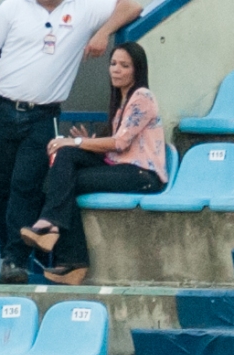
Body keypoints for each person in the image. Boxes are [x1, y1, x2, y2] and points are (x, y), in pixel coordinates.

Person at [0, 0, 142, 281]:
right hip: (0, 109)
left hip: (43, 115)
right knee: (0, 188)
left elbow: (132, 6)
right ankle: (8, 253)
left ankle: (16, 261)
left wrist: (103, 32)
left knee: (24, 186)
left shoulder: (84, 8)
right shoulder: (13, 7)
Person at [18, 40, 159, 283]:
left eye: (124, 65)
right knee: (64, 166)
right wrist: (82, 142)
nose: (116, 69)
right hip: (121, 167)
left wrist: (75, 143)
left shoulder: (142, 96)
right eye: (113, 63)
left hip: (142, 174)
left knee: (67, 164)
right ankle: (70, 259)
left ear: (137, 70)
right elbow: (114, 146)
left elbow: (120, 143)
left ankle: (54, 231)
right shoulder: (121, 101)